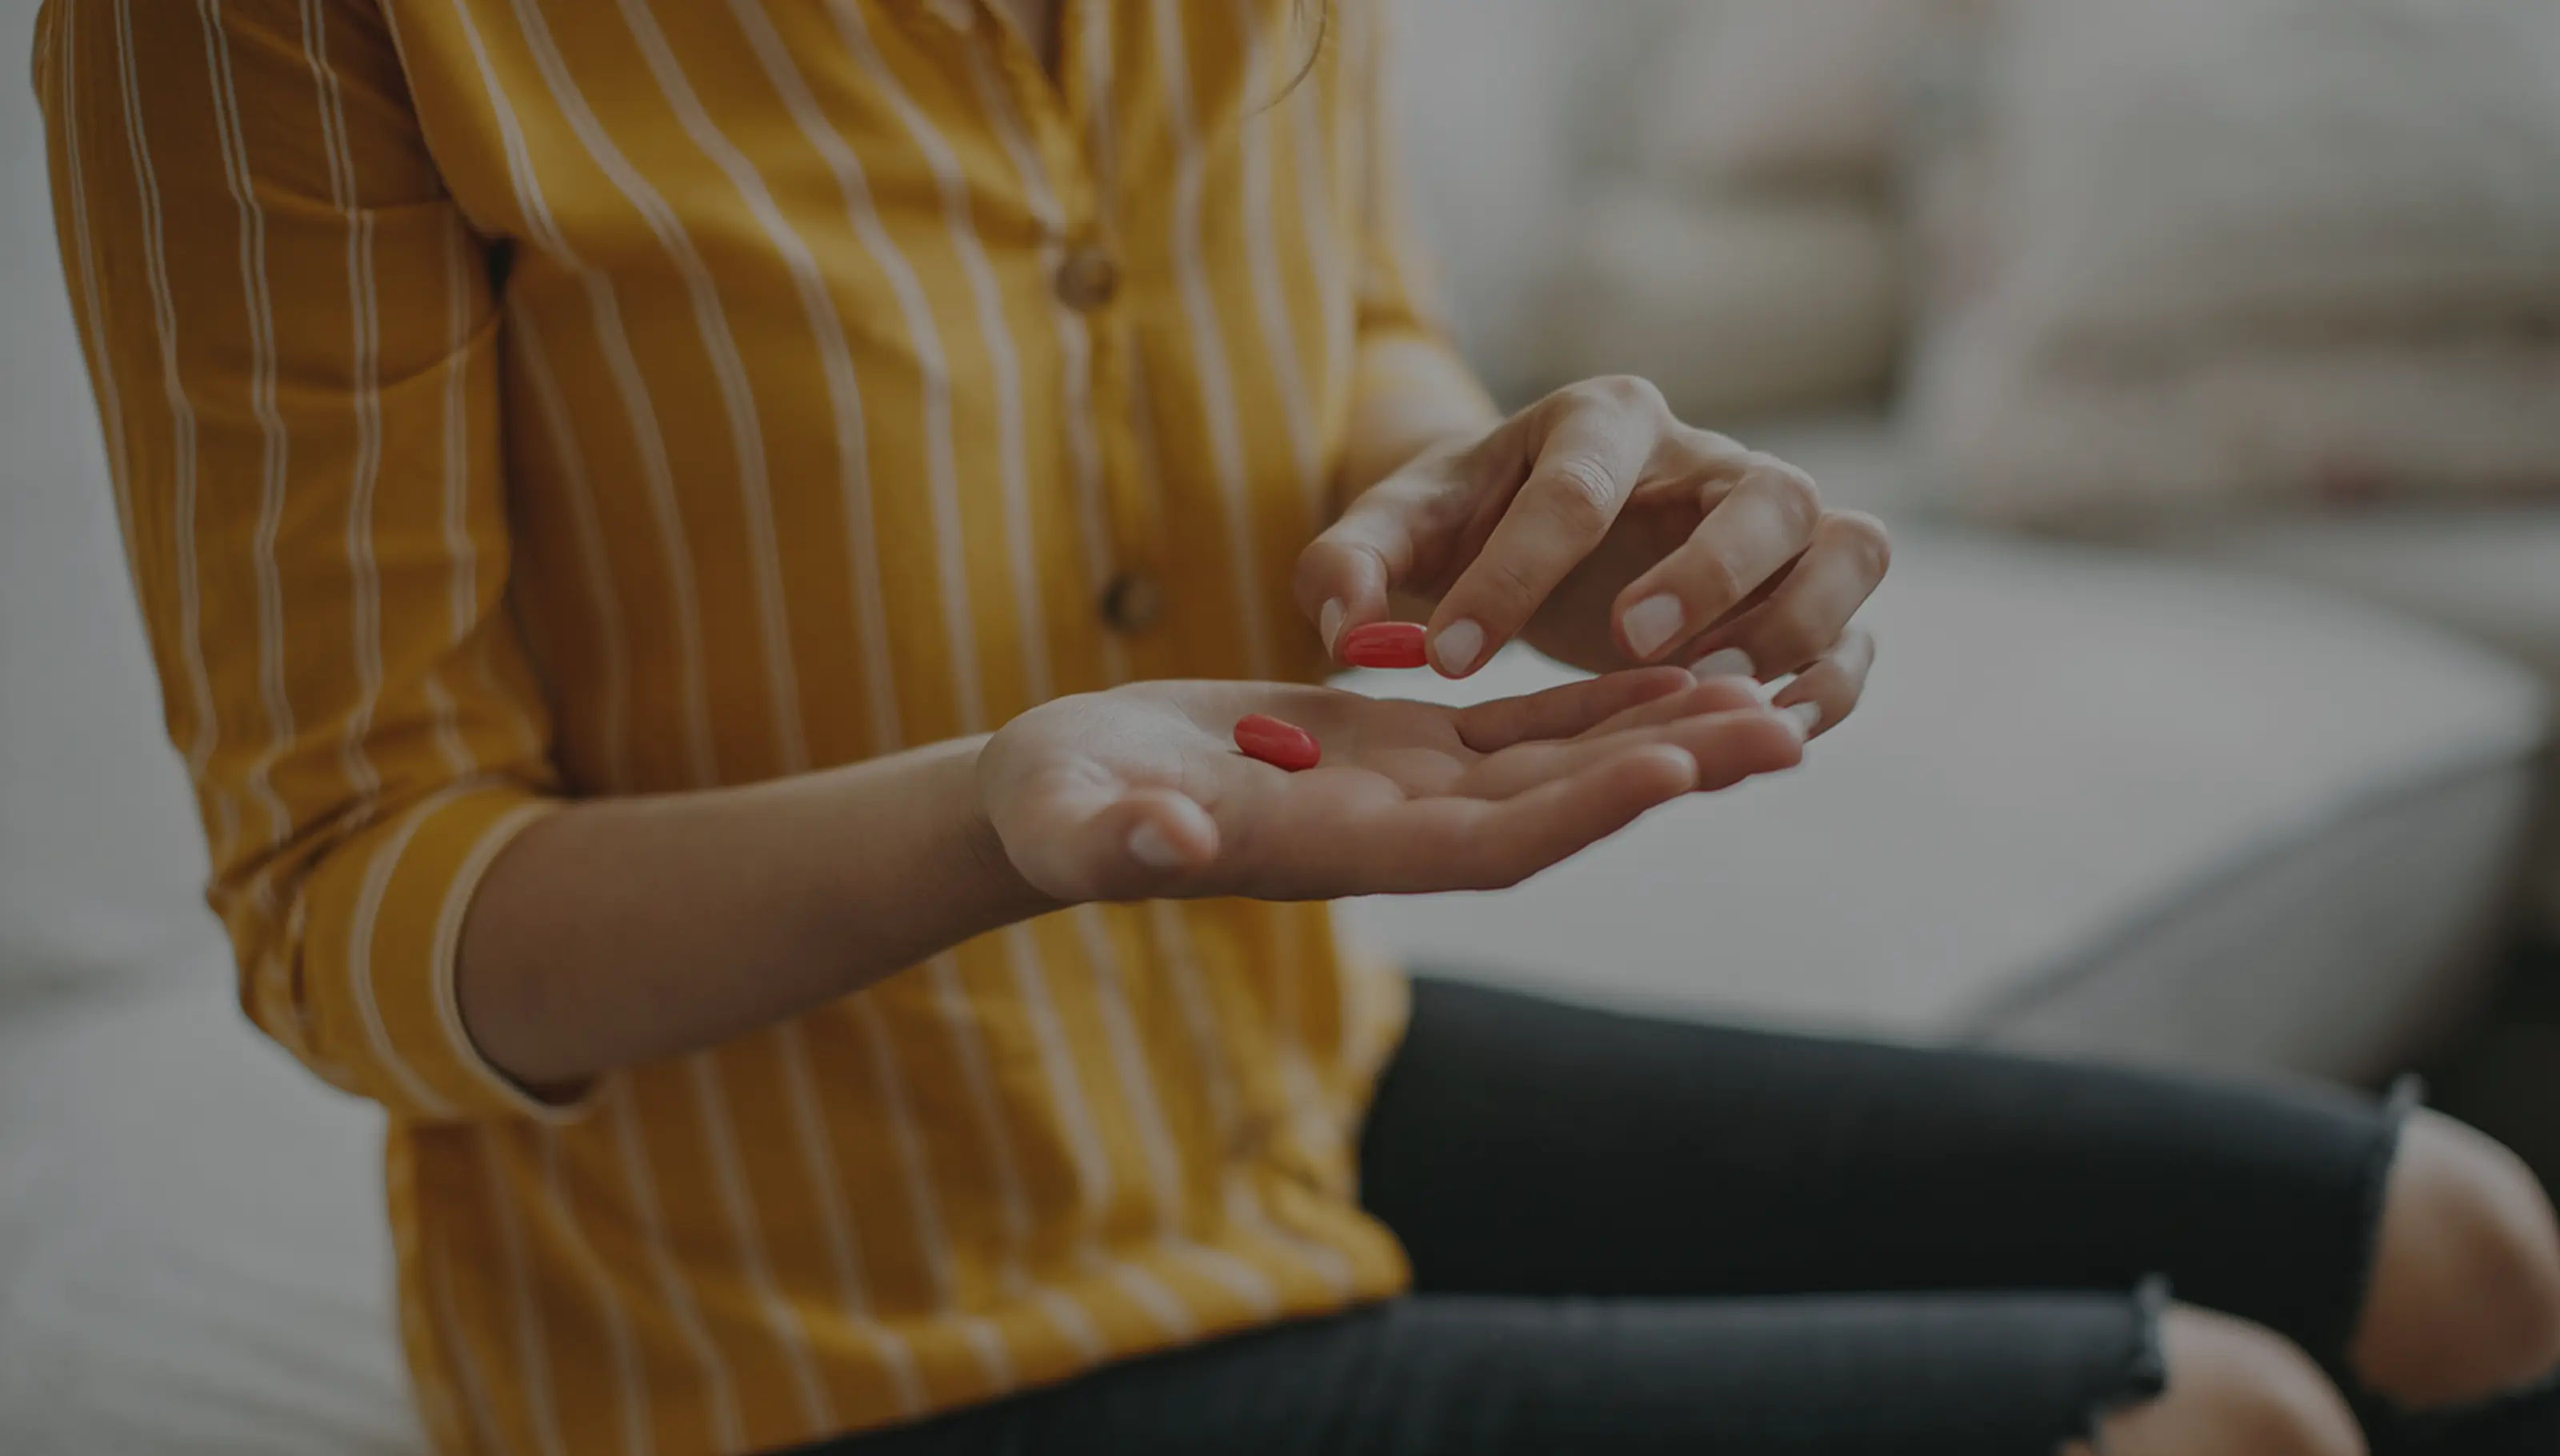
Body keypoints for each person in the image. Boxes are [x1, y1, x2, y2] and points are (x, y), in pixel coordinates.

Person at [35, 0, 2560, 1451]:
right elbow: (352, 909)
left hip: (1266, 1079)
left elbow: (1332, 319)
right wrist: (997, 820)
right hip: (786, 1342)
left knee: (2459, 1248)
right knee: (2208, 1422)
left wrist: (1496, 486)